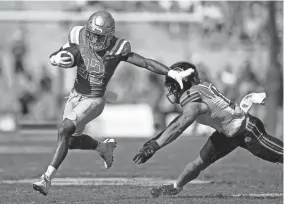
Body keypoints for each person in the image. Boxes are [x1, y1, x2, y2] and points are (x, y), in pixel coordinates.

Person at [32, 11, 192, 196]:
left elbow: (146, 63)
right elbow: (63, 51)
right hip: (74, 96)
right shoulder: (78, 34)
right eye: (91, 34)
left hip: (94, 99)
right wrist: (56, 58)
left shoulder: (118, 47)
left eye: (99, 36)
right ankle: (104, 148)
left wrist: (170, 72)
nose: (93, 39)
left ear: (109, 35)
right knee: (69, 141)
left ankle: (46, 178)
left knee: (64, 129)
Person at [133, 61, 283, 198]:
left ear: (182, 82)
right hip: (226, 133)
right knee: (197, 164)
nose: (172, 90)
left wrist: (154, 145)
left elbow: (179, 125)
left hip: (247, 130)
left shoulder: (192, 99)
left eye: (173, 86)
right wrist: (154, 143)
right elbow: (179, 122)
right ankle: (176, 187)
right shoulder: (200, 89)